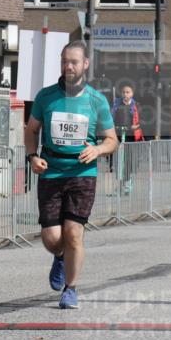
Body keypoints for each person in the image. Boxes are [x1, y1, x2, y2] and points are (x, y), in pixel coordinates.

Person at [23, 41, 118, 309]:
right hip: (51, 171)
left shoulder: (96, 100)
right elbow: (31, 131)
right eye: (65, 61)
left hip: (82, 172)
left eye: (74, 62)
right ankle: (60, 256)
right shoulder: (46, 96)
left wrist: (98, 150)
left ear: (85, 64)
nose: (68, 66)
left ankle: (71, 289)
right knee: (52, 239)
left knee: (74, 232)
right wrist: (32, 157)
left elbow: (112, 140)